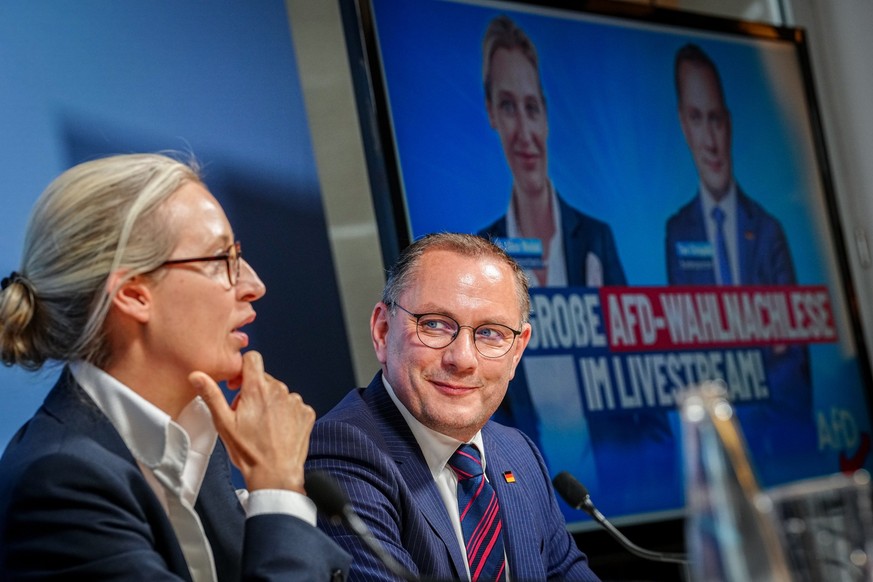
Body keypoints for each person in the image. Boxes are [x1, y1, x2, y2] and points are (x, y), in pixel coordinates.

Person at [0, 153, 350, 581]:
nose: (254, 285)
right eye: (222, 259)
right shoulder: (57, 483)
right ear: (133, 294)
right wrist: (277, 488)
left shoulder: (196, 441)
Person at [306, 233, 600, 581]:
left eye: (490, 333)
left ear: (517, 351)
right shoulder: (342, 453)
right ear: (383, 331)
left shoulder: (518, 452)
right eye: (434, 324)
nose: (462, 359)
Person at [665, 43, 814, 482]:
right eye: (697, 119)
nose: (710, 138)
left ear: (728, 124)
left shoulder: (768, 231)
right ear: (684, 126)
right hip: (714, 458)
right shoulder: (678, 233)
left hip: (779, 454)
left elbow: (793, 372)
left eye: (716, 119)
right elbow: (687, 351)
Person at [477, 15, 626, 288]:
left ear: (544, 114)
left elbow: (629, 329)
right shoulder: (478, 250)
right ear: (491, 112)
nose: (524, 133)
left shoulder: (597, 239)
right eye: (508, 106)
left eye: (531, 107)